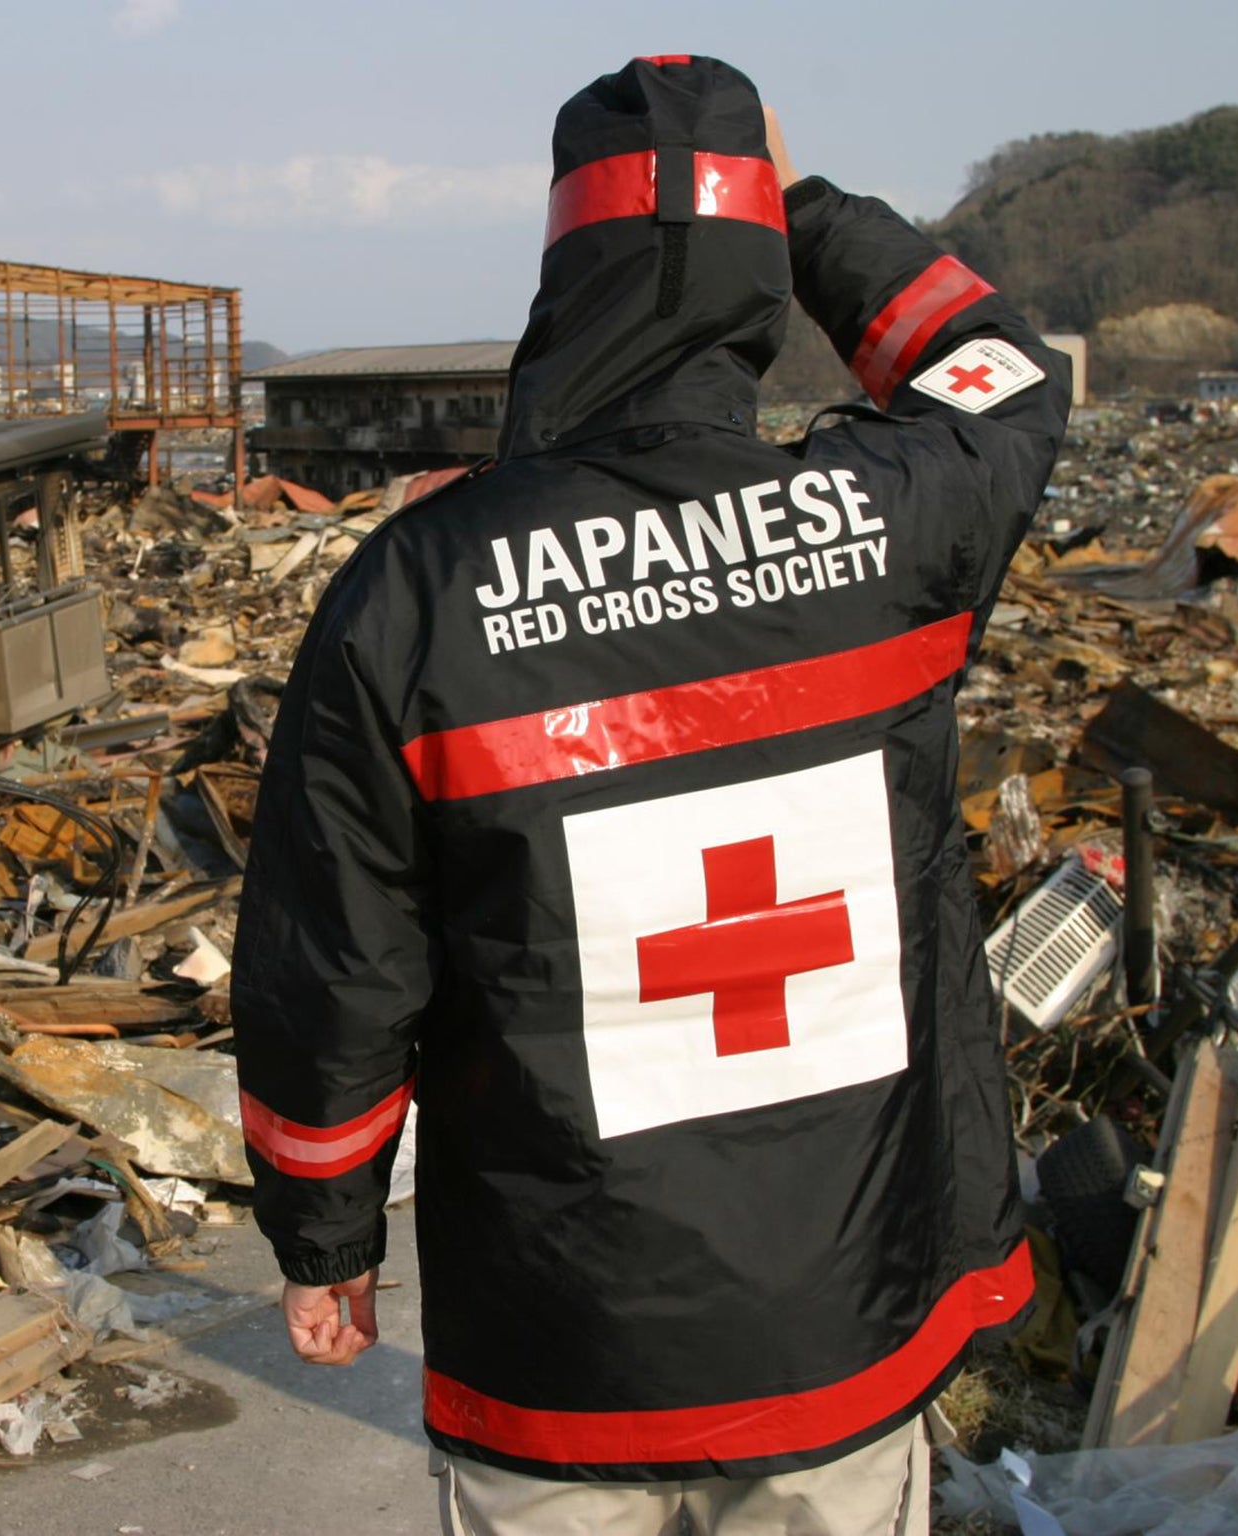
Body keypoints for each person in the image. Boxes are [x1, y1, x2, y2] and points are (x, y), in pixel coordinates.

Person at [231, 54, 1070, 1536]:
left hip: (561, 1353)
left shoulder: (414, 593)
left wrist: (325, 1236)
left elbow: (336, 973)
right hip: (839, 1324)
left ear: (564, 273)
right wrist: (796, 207)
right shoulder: (892, 528)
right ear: (751, 272)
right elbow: (998, 376)